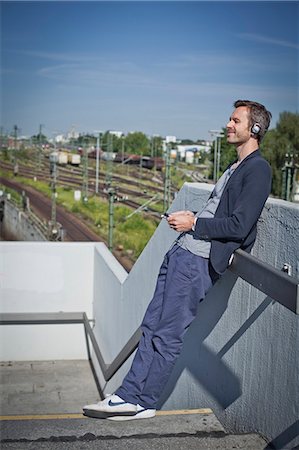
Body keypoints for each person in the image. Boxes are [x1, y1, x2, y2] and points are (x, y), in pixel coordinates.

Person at [83, 99, 272, 421]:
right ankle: (131, 396)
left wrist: (195, 224)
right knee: (152, 326)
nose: (228, 124)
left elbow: (240, 225)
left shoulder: (258, 169)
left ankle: (143, 400)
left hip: (197, 262)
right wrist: (193, 217)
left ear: (254, 129)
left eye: (235, 120)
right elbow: (220, 214)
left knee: (168, 332)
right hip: (184, 253)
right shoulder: (235, 166)